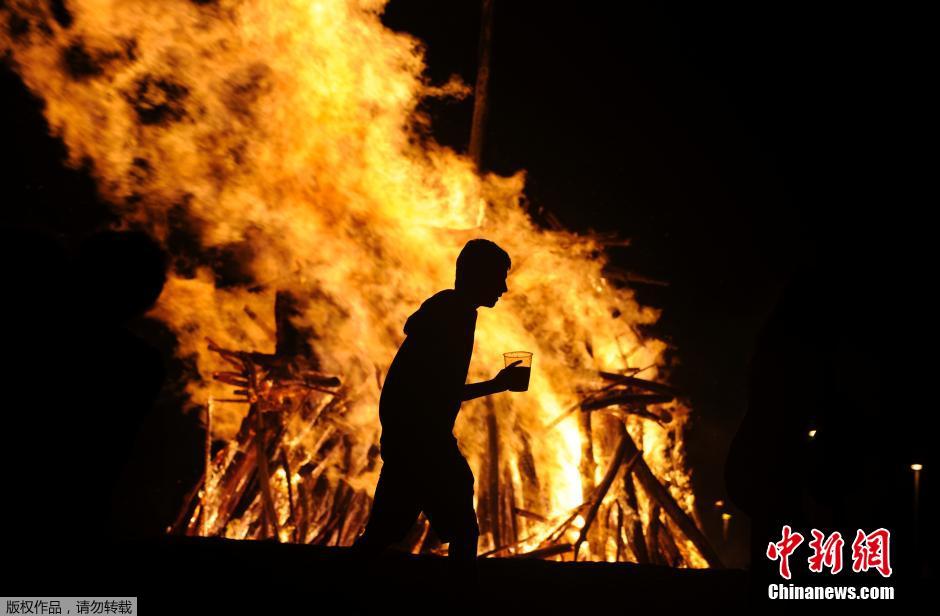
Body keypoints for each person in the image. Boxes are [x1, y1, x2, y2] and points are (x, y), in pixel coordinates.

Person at [354, 238, 521, 567]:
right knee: (461, 529)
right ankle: (458, 601)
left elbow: (435, 387)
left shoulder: (450, 312)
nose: (503, 288)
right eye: (499, 276)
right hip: (422, 441)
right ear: (477, 275)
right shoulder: (453, 315)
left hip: (412, 438)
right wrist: (496, 385)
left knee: (385, 530)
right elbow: (436, 390)